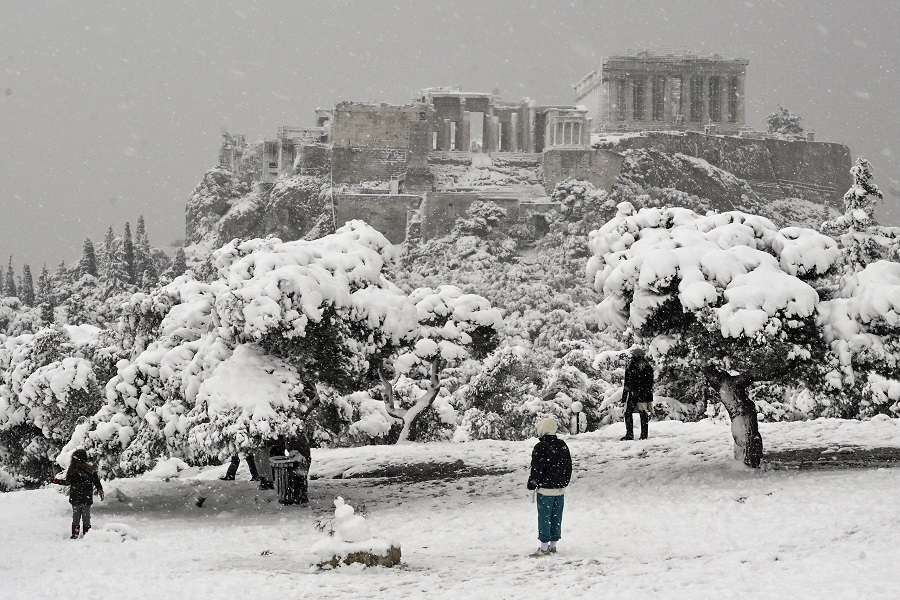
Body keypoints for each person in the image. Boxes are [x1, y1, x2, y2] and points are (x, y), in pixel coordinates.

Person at [526, 417, 572, 557]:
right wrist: (564, 482)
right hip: (560, 489)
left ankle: (544, 547)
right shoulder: (562, 445)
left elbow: (536, 469)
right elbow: (568, 466)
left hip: (545, 490)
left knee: (544, 517)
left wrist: (531, 486)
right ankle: (553, 545)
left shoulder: (540, 447)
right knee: (556, 517)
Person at [50, 448, 104, 539]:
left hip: (76, 497)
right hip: (86, 497)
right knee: (86, 518)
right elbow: (96, 481)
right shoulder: (90, 469)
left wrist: (57, 481)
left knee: (76, 517)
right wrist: (100, 490)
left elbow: (67, 482)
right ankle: (87, 535)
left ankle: (75, 534)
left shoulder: (72, 468)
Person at [622, 346, 654, 441]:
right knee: (629, 413)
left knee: (642, 413)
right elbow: (627, 383)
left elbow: (648, 383)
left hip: (641, 394)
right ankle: (631, 434)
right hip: (635, 394)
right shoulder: (631, 366)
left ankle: (642, 435)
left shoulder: (646, 367)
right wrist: (624, 397)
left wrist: (640, 391)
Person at [270, 432, 312, 504]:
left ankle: (298, 496)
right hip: (298, 457)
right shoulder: (292, 437)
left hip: (300, 457)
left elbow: (300, 448)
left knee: (299, 477)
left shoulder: (296, 437)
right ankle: (298, 496)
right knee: (298, 478)